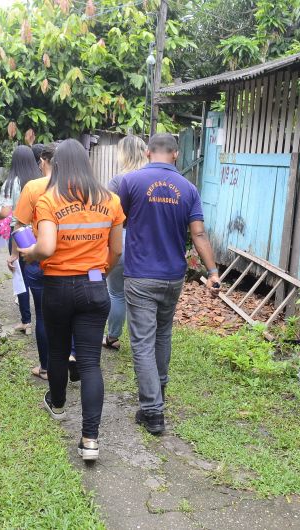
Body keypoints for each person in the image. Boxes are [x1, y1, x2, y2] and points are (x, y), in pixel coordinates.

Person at [20, 139, 124, 461]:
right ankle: (90, 440)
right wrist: (99, 272)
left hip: (58, 288)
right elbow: (117, 250)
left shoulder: (49, 199)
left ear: (58, 164)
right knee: (91, 362)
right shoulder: (111, 200)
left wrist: (29, 253)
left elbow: (47, 247)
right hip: (94, 286)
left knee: (58, 350)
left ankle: (59, 403)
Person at [118, 133, 220, 435]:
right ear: (176, 154)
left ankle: (153, 411)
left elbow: (117, 220)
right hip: (173, 277)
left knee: (142, 343)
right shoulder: (188, 189)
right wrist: (212, 271)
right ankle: (158, 394)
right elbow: (199, 234)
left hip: (140, 275)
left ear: (148, 152)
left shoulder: (131, 183)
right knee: (162, 335)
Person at [10, 143, 55, 380]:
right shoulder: (77, 186)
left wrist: (19, 254)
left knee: (43, 315)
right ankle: (72, 355)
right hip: (69, 261)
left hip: (39, 258)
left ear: (45, 161)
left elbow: (20, 226)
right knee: (69, 314)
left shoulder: (34, 187)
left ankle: (46, 367)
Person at [0, 145, 41, 337]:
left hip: (19, 234)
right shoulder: (41, 180)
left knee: (21, 277)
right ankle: (42, 317)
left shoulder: (12, 182)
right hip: (40, 232)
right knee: (39, 274)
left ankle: (26, 321)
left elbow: (5, 212)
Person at [103, 135, 148, 350]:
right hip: (146, 243)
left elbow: (107, 215)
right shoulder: (152, 179)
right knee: (142, 295)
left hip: (121, 237)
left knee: (117, 292)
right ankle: (143, 340)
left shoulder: (118, 181)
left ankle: (112, 337)